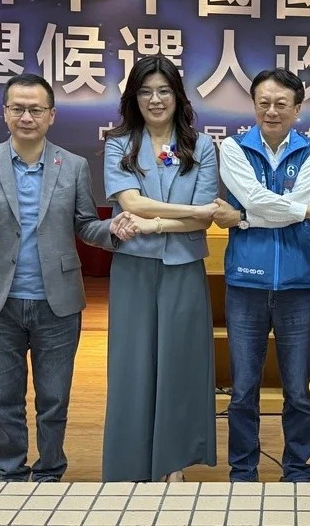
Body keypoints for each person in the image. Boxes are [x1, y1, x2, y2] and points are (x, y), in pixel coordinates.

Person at [0, 73, 137, 482]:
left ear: (51, 115)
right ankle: (10, 473)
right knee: (3, 399)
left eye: (36, 109)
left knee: (54, 399)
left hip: (58, 301)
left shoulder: (72, 166)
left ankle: (50, 471)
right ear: (4, 113)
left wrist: (113, 228)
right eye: (18, 109)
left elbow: (85, 225)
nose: (26, 117)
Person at [212, 68, 310, 482]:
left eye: (282, 103)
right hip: (246, 285)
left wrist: (245, 218)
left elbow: (268, 207)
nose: (271, 111)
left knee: (297, 390)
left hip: (298, 287)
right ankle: (242, 470)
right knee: (243, 388)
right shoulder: (233, 148)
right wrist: (305, 212)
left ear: (298, 109)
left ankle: (297, 470)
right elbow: (255, 197)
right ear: (253, 105)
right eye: (263, 102)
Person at [102, 55, 219, 482]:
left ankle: (173, 463)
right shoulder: (119, 143)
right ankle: (129, 464)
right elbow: (130, 202)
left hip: (183, 267)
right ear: (134, 98)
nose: (155, 99)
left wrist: (157, 223)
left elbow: (202, 221)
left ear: (178, 96)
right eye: (146, 91)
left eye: (164, 91)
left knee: (180, 364)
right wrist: (190, 211)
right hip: (133, 268)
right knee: (131, 365)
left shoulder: (201, 146)